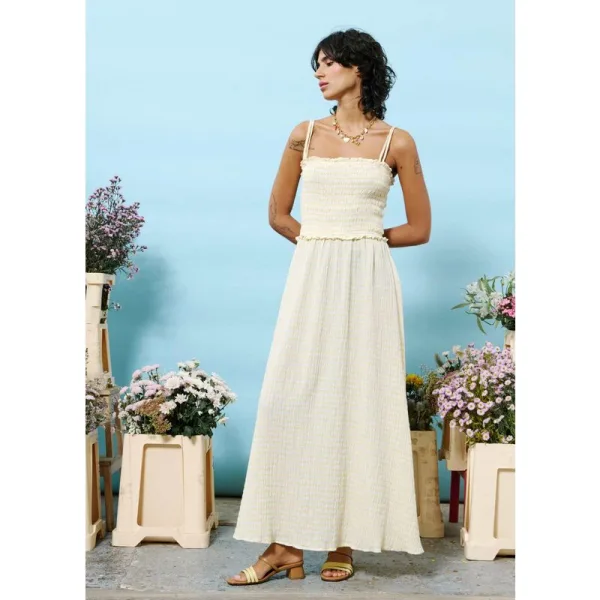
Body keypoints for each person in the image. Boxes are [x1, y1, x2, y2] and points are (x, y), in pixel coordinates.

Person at [227, 27, 432, 586]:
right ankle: (285, 546)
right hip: (312, 276)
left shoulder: (397, 143)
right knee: (292, 398)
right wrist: (322, 243)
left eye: (329, 63)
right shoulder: (304, 134)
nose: (319, 73)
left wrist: (362, 240)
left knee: (358, 400)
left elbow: (419, 228)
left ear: (359, 68)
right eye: (316, 65)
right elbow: (278, 214)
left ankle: (343, 539)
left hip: (368, 281)